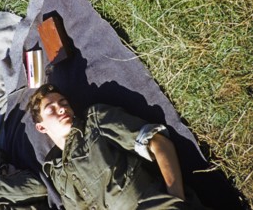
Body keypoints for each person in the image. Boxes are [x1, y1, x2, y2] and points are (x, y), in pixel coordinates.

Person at [27, 84, 205, 209]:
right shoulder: (55, 172)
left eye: (64, 103)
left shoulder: (94, 123)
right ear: (41, 127)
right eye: (51, 108)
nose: (61, 109)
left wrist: (177, 200)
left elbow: (159, 142)